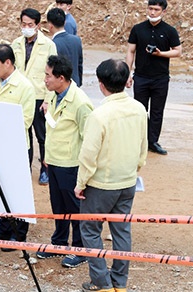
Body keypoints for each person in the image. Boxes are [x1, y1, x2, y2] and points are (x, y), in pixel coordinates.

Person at [74, 59, 148, 292]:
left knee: (90, 230)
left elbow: (88, 155)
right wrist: (135, 169)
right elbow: (143, 146)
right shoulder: (139, 108)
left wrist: (81, 183)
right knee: (121, 231)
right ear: (128, 82)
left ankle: (102, 283)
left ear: (100, 84)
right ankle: (120, 283)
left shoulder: (99, 115)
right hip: (127, 182)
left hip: (101, 185)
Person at [0, 44, 35, 252]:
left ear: (8, 63)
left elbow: (26, 121)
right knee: (1, 187)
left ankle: (19, 233)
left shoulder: (25, 87)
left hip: (16, 146)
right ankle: (4, 228)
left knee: (16, 190)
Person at [36, 55, 92, 268]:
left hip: (71, 165)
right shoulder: (53, 95)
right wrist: (47, 158)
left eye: (48, 76)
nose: (45, 80)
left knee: (75, 207)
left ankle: (80, 248)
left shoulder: (80, 102)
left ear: (61, 78)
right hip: (54, 162)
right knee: (58, 206)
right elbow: (55, 125)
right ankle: (59, 242)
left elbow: (89, 138)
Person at [125, 0, 182, 155]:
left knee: (157, 111)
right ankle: (140, 140)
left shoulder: (169, 31)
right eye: (150, 9)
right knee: (140, 111)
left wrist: (161, 53)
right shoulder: (138, 29)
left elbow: (177, 51)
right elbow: (131, 51)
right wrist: (127, 73)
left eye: (156, 10)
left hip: (160, 78)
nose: (152, 12)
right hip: (141, 77)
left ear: (163, 12)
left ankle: (153, 142)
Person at [11, 8, 57, 185]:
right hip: (21, 96)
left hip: (39, 95)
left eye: (30, 24)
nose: (26, 27)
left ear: (38, 25)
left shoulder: (48, 45)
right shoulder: (15, 44)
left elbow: (53, 73)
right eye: (23, 24)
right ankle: (25, 167)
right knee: (23, 135)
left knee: (42, 135)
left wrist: (47, 99)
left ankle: (45, 169)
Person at [46, 7, 83, 87]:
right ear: (65, 22)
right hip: (75, 84)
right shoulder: (77, 40)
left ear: (50, 25)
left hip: (60, 86)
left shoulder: (52, 44)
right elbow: (80, 64)